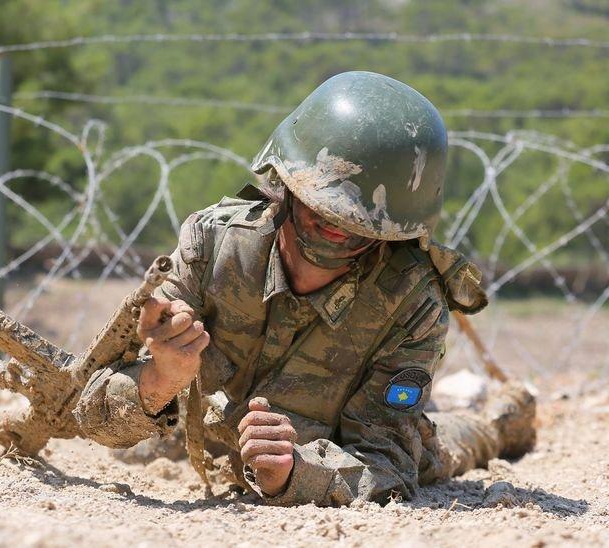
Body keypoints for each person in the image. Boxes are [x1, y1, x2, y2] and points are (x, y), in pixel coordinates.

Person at [74, 71, 536, 506]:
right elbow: (92, 416)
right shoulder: (213, 244)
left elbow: (389, 461)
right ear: (287, 182)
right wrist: (160, 379)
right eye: (324, 205)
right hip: (208, 433)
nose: (336, 225)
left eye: (357, 220)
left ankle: (504, 417)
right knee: (139, 450)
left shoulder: (411, 304)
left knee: (450, 445)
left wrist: (295, 473)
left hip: (332, 447)